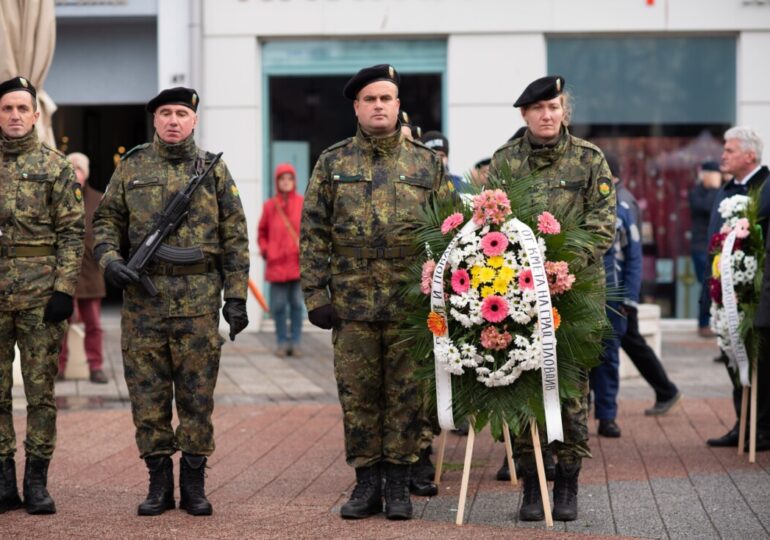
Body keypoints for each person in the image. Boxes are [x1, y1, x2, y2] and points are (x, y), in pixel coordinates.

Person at [92, 87, 250, 516]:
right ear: (155, 120)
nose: (174, 120)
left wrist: (235, 299)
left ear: (194, 120)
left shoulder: (214, 171)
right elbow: (105, 221)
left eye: (182, 113)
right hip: (144, 306)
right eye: (166, 113)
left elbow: (235, 237)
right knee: (148, 398)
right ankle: (158, 483)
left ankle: (194, 485)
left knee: (197, 399)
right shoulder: (132, 166)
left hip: (198, 307)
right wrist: (110, 261)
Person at [300, 64, 446, 521]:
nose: (379, 106)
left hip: (410, 303)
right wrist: (315, 295)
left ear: (398, 106)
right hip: (352, 302)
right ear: (357, 108)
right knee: (359, 395)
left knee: (406, 395)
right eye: (370, 100)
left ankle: (400, 486)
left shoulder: (426, 163)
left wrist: (444, 296)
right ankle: (366, 484)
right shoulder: (333, 161)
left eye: (387, 98)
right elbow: (312, 232)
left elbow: (448, 233)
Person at [490, 75, 616, 522]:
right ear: (525, 114)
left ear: (565, 112)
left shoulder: (589, 159)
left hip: (574, 296)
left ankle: (567, 482)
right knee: (523, 386)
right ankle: (530, 482)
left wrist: (562, 266)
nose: (548, 115)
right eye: (539, 108)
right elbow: (492, 225)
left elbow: (603, 224)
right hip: (517, 298)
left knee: (570, 392)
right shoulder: (506, 161)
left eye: (555, 107)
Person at [0, 76, 84, 515]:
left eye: (21, 109)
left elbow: (72, 234)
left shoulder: (55, 166)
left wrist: (63, 290)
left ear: (36, 115)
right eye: (6, 108)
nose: (14, 115)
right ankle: (2, 482)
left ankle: (36, 482)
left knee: (40, 394)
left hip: (39, 298)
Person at [703, 126, 770, 451]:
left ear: (750, 155)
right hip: (724, 290)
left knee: (760, 361)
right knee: (732, 357)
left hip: (754, 292)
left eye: (729, 151)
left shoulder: (766, 187)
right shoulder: (727, 189)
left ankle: (763, 428)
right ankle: (743, 423)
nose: (722, 156)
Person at [604, 153, 682, 417]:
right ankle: (665, 390)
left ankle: (666, 390)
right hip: (623, 290)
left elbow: (632, 255)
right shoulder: (619, 197)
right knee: (631, 342)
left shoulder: (623, 202)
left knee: (632, 342)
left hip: (622, 290)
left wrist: (629, 297)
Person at [590, 194, 642, 438]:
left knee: (608, 357)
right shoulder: (574, 200)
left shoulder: (621, 209)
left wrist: (629, 298)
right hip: (580, 292)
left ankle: (607, 416)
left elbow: (634, 257)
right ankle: (575, 420)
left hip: (612, 293)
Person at [57, 152, 108, 384]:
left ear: (86, 174)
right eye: (72, 168)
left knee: (94, 324)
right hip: (63, 273)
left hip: (91, 273)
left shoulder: (99, 199)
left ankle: (96, 366)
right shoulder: (57, 197)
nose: (76, 173)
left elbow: (108, 232)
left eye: (80, 169)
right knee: (61, 324)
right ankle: (59, 367)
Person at [258, 163, 304, 357]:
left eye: (289, 178)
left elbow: (310, 230)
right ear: (277, 182)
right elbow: (262, 232)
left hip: (296, 262)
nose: (286, 182)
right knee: (277, 307)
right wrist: (267, 250)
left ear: (294, 181)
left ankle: (295, 342)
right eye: (282, 179)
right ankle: (280, 342)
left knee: (296, 304)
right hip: (276, 264)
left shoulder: (302, 203)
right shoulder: (270, 205)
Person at [688, 160, 722, 337]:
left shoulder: (720, 191)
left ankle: (713, 323)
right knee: (706, 285)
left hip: (716, 245)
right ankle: (703, 324)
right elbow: (708, 207)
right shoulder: (696, 193)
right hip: (700, 246)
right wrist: (714, 189)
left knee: (714, 285)